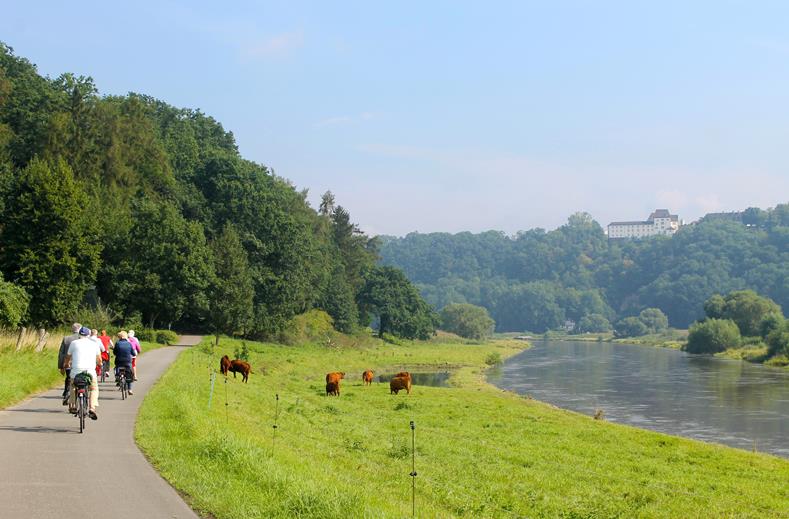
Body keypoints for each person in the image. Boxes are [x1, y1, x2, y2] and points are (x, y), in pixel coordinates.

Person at [64, 326, 101, 419]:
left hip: (75, 372)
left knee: (72, 386)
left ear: (79, 335)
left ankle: (72, 405)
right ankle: (92, 408)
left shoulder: (74, 343)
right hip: (90, 372)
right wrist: (99, 364)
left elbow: (68, 357)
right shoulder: (94, 344)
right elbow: (99, 359)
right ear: (89, 335)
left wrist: (66, 364)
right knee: (93, 389)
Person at [57, 323, 81, 405]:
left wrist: (61, 366)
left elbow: (61, 353)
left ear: (72, 329)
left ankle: (66, 393)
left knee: (69, 378)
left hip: (68, 364)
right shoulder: (83, 339)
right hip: (81, 364)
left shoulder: (66, 339)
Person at [113, 331, 137, 395]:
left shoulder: (117, 343)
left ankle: (118, 377)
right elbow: (133, 353)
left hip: (119, 361)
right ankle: (130, 389)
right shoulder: (129, 344)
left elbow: (114, 352)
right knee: (129, 373)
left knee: (116, 367)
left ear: (119, 337)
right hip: (127, 361)